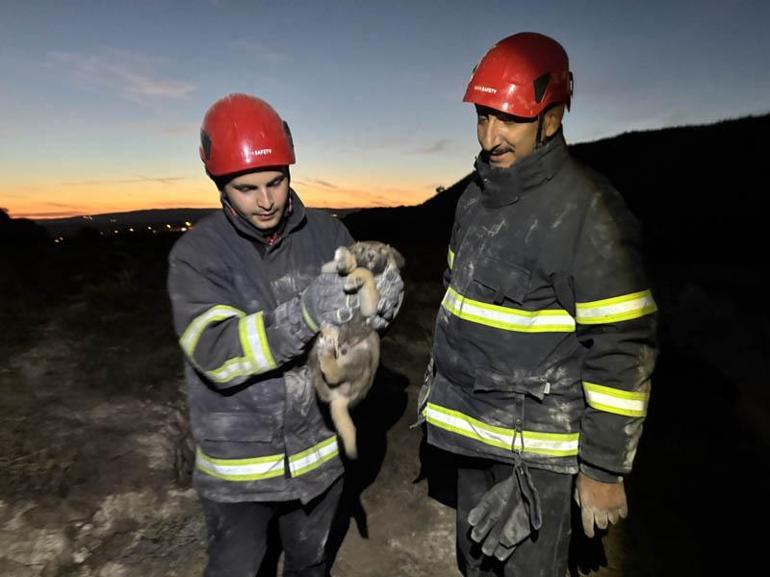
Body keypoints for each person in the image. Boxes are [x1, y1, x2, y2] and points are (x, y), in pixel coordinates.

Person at [418, 33, 658, 576]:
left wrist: (602, 469)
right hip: (472, 436)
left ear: (550, 119)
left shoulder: (588, 212)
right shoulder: (474, 201)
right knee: (473, 564)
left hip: (538, 455)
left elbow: (622, 346)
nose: (490, 134)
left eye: (509, 119)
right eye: (482, 116)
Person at [167, 93, 403, 577]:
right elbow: (216, 353)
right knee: (236, 569)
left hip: (318, 458)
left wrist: (379, 306)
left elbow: (353, 323)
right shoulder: (197, 254)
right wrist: (306, 314)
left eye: (276, 181)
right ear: (219, 184)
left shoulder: (328, 234)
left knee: (309, 563)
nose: (266, 199)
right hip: (240, 473)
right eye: (246, 187)